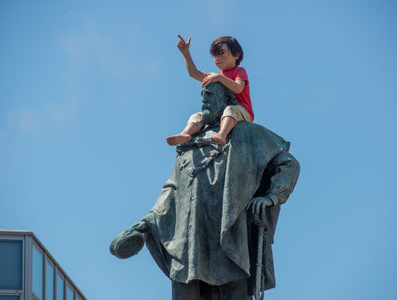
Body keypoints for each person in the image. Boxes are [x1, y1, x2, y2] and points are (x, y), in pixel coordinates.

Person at [111, 83, 300, 299]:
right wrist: (144, 226)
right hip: (189, 244)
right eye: (202, 95)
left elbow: (287, 164)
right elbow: (171, 191)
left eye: (210, 94)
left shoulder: (247, 134)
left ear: (228, 100)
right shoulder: (189, 145)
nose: (204, 99)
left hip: (229, 239)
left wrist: (271, 196)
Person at [166, 35, 254, 146]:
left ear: (236, 55)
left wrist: (219, 78)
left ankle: (222, 134)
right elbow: (194, 73)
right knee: (198, 116)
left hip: (243, 112)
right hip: (219, 112)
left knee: (231, 109)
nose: (217, 58)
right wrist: (185, 53)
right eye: (215, 55)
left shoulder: (239, 71)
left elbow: (238, 88)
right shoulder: (215, 76)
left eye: (222, 53)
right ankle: (185, 134)